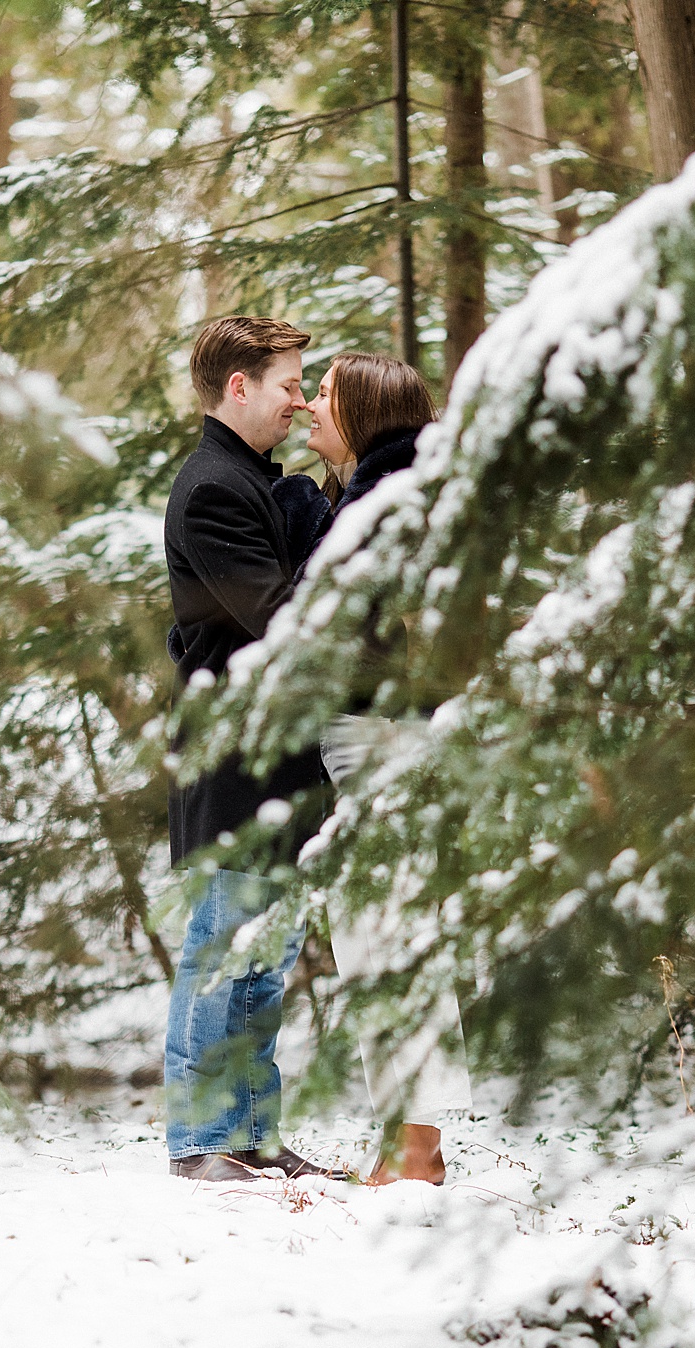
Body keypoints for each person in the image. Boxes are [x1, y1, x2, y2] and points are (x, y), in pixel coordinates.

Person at [273, 352, 473, 1186]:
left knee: (389, 938)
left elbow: (331, 618)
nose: (308, 405)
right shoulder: (372, 496)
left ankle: (414, 1152)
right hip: (378, 736)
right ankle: (409, 1143)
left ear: (360, 412)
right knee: (382, 938)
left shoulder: (381, 504)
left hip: (383, 737)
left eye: (322, 394)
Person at [163, 315, 335, 1185]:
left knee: (265, 967)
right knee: (219, 953)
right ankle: (199, 1142)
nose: (299, 400)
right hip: (232, 764)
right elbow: (281, 622)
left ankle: (254, 1133)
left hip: (281, 761)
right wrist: (331, 522)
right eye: (289, 385)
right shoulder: (213, 490)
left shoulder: (255, 482)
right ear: (240, 386)